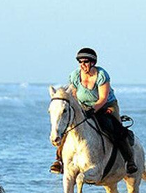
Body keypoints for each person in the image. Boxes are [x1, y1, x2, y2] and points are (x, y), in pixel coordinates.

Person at [50, 47, 138, 175]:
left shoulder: (102, 75)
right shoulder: (75, 75)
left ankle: (129, 161)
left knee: (116, 129)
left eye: (85, 62)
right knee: (70, 127)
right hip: (84, 106)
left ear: (92, 62)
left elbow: (102, 98)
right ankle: (59, 160)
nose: (82, 65)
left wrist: (93, 110)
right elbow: (73, 94)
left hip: (106, 105)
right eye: (80, 62)